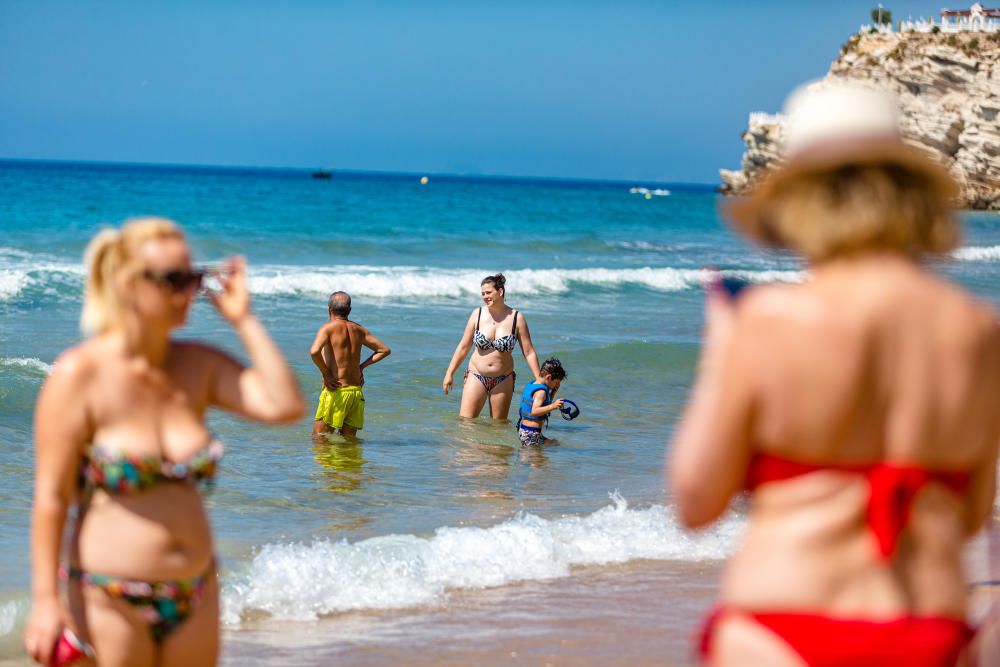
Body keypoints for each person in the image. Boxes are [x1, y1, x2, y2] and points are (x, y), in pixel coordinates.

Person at [670, 82, 1000, 666]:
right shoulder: (978, 333)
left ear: (798, 199)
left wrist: (723, 345)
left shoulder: (769, 319)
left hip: (784, 627)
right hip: (926, 629)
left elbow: (696, 501)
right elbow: (971, 516)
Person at [24, 218, 304, 667]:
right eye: (173, 281)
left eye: (193, 279)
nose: (187, 293)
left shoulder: (198, 366)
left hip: (196, 591)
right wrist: (44, 599)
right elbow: (51, 497)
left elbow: (284, 404)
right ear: (127, 284)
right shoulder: (80, 375)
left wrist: (244, 320)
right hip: (110, 591)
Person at [443, 273, 542, 419]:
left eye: (488, 292)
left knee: (498, 427)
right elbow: (463, 347)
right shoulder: (477, 314)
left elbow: (528, 352)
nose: (485, 296)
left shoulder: (516, 318)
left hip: (503, 379)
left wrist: (539, 379)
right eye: (482, 293)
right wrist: (449, 373)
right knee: (466, 423)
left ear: (500, 291)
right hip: (476, 375)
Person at [310, 291, 390, 438]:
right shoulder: (359, 330)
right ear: (350, 310)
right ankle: (349, 462)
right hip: (355, 393)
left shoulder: (328, 328)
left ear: (329, 309)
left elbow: (314, 351)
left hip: (337, 391)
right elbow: (384, 350)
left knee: (319, 438)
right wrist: (360, 367)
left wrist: (326, 374)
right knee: (348, 442)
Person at [516, 358, 567, 447]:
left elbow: (544, 404)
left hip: (526, 430)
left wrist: (553, 393)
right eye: (556, 382)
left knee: (555, 444)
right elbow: (535, 411)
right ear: (549, 377)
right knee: (534, 459)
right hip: (531, 433)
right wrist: (554, 406)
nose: (557, 385)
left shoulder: (533, 384)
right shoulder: (541, 392)